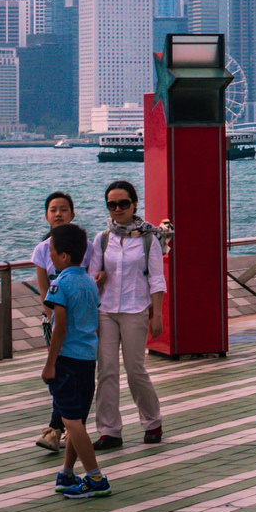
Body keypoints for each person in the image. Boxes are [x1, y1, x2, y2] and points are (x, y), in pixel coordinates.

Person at [86, 180, 166, 449]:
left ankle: (152, 421)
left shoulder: (149, 239)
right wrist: (97, 279)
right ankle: (109, 430)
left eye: (123, 203)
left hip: (135, 309)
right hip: (105, 310)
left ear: (134, 204)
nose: (117, 209)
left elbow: (157, 279)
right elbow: (91, 276)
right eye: (112, 204)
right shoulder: (103, 238)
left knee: (135, 369)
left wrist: (157, 316)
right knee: (106, 370)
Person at [41, 222, 111, 499]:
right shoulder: (89, 283)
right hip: (87, 359)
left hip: (67, 360)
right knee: (76, 419)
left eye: (52, 252)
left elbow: (59, 327)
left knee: (71, 422)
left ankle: (95, 477)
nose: (50, 257)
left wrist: (50, 363)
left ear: (63, 257)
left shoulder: (59, 285)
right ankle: (67, 472)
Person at [29, 191, 76, 452]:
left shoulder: (85, 245)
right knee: (60, 373)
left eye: (64, 209)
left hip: (81, 323)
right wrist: (54, 322)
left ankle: (58, 428)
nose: (58, 214)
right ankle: (58, 428)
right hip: (55, 323)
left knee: (75, 374)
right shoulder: (41, 249)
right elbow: (43, 289)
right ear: (46, 216)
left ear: (73, 213)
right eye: (53, 210)